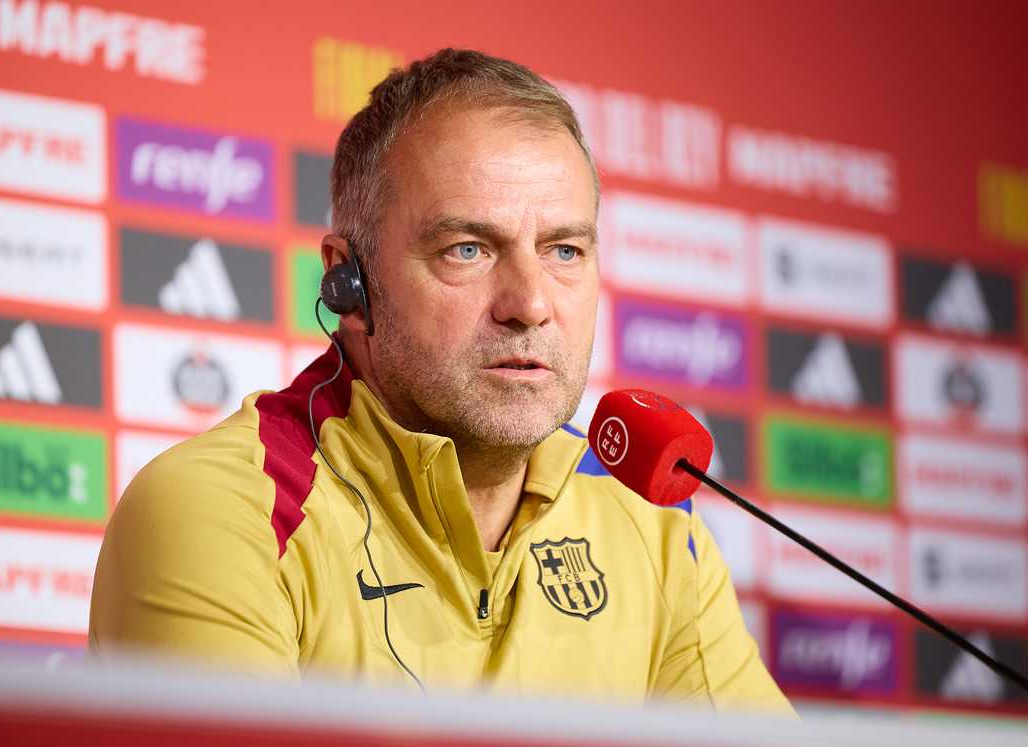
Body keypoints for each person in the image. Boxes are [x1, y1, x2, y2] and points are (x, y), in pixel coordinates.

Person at [90, 48, 793, 713]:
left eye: (565, 250)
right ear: (351, 280)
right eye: (468, 249)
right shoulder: (228, 512)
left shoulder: (651, 521)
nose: (532, 302)